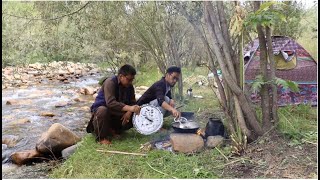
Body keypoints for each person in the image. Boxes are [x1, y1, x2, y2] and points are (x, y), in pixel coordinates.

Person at [86, 64, 141, 145]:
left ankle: (113, 130)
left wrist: (129, 112)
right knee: (103, 110)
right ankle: (102, 138)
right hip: (103, 110)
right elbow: (110, 103)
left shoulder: (130, 87)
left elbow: (132, 102)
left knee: (135, 114)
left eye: (132, 80)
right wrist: (130, 108)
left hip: (116, 111)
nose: (130, 82)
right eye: (129, 79)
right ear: (121, 76)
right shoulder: (110, 82)